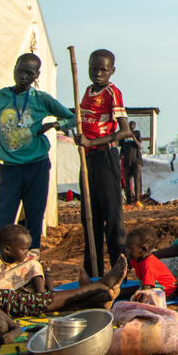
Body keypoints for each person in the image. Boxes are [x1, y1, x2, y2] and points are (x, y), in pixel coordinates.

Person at [0, 53, 76, 251]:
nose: (23, 76)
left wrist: (55, 124)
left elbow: (73, 118)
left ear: (37, 76)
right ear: (14, 69)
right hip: (10, 169)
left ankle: (31, 265)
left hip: (37, 167)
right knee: (1, 219)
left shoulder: (40, 99)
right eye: (20, 71)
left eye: (29, 73)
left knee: (34, 219)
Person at [0, 258, 127, 344]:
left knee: (19, 302)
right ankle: (94, 297)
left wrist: (15, 329)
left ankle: (94, 290)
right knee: (22, 304)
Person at [76, 49, 131, 277]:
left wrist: (92, 140)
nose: (98, 73)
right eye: (93, 69)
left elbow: (125, 131)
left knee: (112, 217)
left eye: (103, 70)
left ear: (112, 71)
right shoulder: (87, 92)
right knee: (90, 217)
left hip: (105, 156)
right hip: (87, 159)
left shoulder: (112, 93)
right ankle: (94, 272)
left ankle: (120, 272)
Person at [0, 224, 45, 292]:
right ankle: (43, 298)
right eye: (23, 249)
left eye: (27, 248)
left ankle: (42, 298)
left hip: (20, 298)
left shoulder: (28, 262)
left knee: (35, 265)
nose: (26, 252)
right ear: (7, 249)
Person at [124, 225, 177, 296]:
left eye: (130, 248)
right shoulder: (135, 259)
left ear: (144, 249)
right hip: (150, 286)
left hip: (165, 290)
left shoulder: (148, 265)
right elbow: (126, 268)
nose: (126, 250)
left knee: (145, 298)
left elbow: (146, 290)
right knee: (121, 292)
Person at [120, 121, 143, 206]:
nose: (131, 126)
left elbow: (139, 145)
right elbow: (122, 148)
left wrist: (134, 138)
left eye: (133, 125)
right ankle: (129, 200)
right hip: (126, 161)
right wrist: (120, 159)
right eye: (130, 125)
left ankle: (137, 199)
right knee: (127, 181)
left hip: (136, 161)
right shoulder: (123, 135)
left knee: (137, 180)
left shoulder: (137, 133)